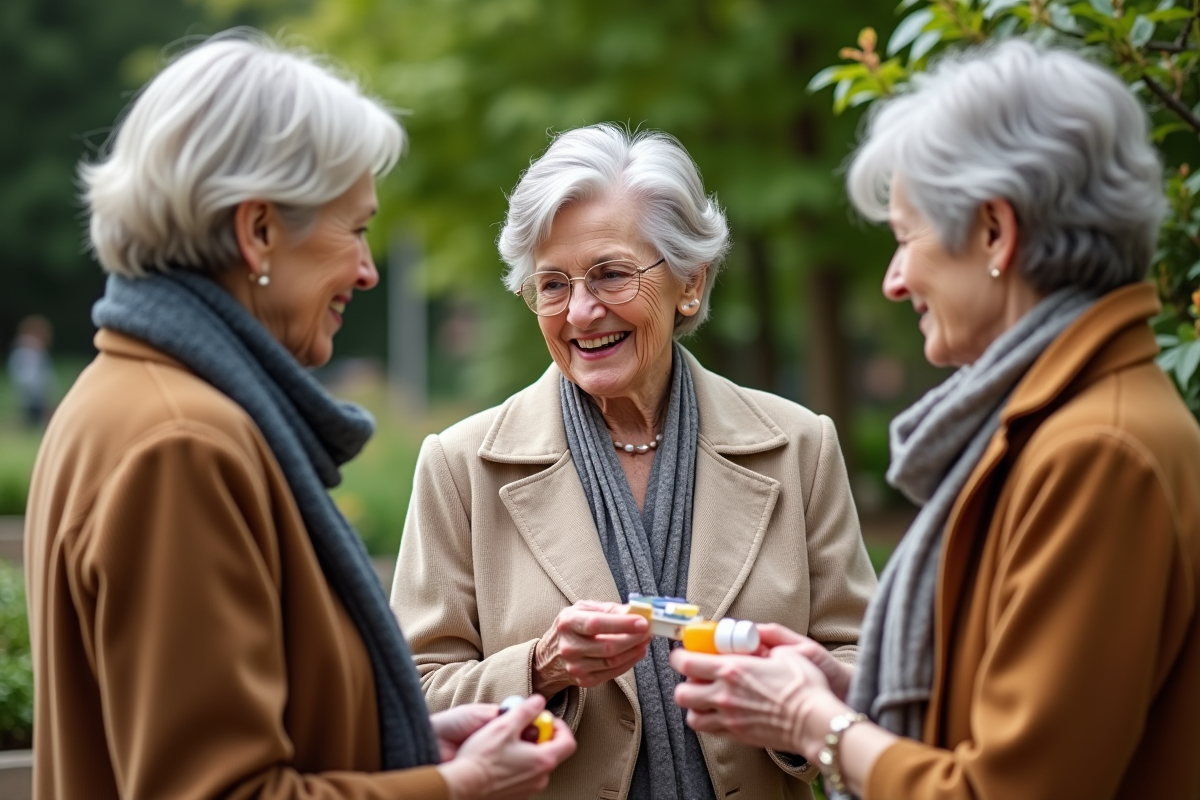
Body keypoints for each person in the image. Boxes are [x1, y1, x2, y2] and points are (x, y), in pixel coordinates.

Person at [23, 32, 575, 800]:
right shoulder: (183, 445)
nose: (368, 269)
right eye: (355, 228)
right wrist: (455, 786)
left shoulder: (126, 395)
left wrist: (403, 745)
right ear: (257, 233)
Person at [669, 40, 1200, 799]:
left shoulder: (1096, 451)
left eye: (905, 236)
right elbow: (1010, 725)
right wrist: (847, 690)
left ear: (993, 232)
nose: (893, 280)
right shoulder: (1056, 424)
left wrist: (815, 722)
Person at [391, 122, 877, 800]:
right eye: (552, 284)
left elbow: (869, 671)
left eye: (611, 274)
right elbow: (412, 700)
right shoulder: (460, 465)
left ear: (690, 283)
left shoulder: (797, 446)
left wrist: (785, 689)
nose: (582, 312)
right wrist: (541, 665)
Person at [7, 315, 54, 427]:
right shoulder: (26, 353)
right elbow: (30, 378)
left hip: (36, 397)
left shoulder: (36, 353)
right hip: (34, 398)